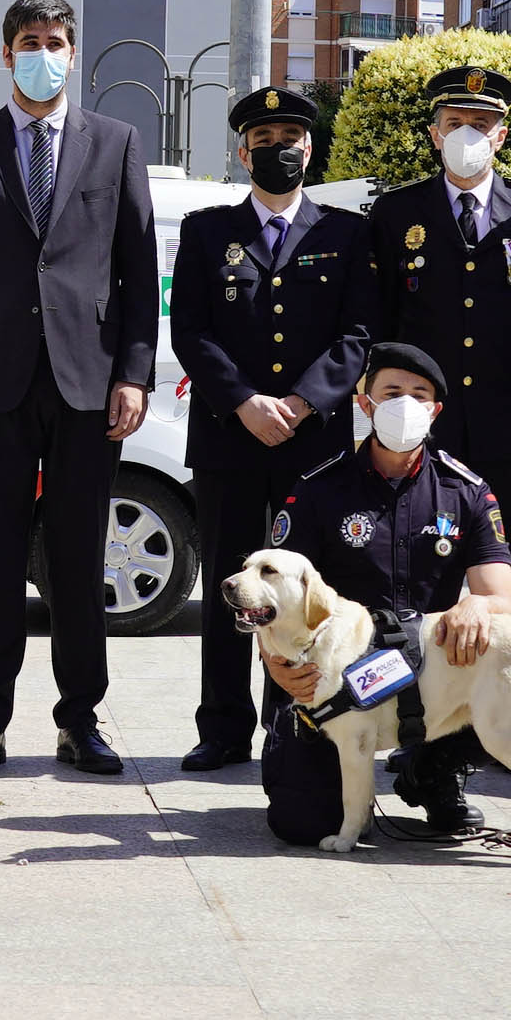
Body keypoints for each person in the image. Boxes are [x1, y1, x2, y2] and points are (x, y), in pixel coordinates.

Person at [0, 0, 158, 776]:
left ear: (71, 51)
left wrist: (133, 374)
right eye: (29, 39)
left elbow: (136, 269)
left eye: (55, 40)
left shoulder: (116, 142)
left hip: (88, 386)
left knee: (76, 559)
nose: (43, 52)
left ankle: (81, 718)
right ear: (5, 53)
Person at [168, 84, 370, 774]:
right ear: (242, 151)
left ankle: (298, 720)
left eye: (290, 141)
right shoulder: (206, 231)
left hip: (313, 445)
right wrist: (247, 402)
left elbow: (358, 335)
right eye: (263, 142)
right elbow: (190, 330)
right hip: (230, 437)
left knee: (301, 593)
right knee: (231, 587)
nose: (277, 152)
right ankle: (222, 728)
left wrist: (304, 402)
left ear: (309, 149)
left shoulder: (345, 234)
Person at [257, 344, 511, 848]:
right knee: (301, 825)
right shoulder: (318, 489)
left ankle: (432, 771)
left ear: (435, 410)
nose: (405, 404)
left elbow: (502, 601)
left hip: (430, 678)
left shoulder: (466, 491)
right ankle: (296, 754)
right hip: (332, 682)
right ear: (365, 404)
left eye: (419, 395)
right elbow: (272, 595)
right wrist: (274, 661)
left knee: (501, 661)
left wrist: (477, 604)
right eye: (391, 392)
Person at [367, 64, 511, 618]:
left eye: (481, 124)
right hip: (422, 427)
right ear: (434, 133)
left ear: (501, 135)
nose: (467, 135)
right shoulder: (395, 214)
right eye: (455, 121)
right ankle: (422, 702)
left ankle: (505, 700)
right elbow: (381, 320)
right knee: (416, 573)